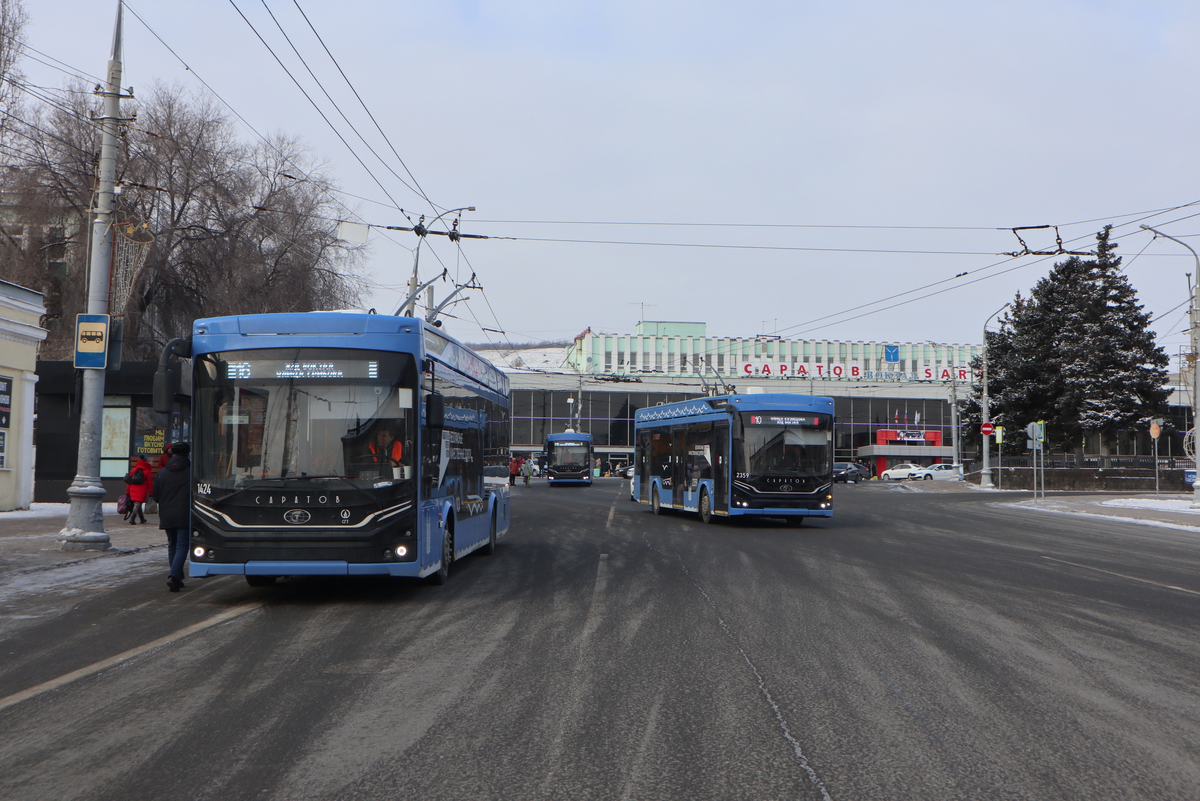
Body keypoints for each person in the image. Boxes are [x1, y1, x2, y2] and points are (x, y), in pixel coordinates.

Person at [153, 442, 192, 593]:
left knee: (172, 545)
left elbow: (156, 495)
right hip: (184, 513)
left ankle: (177, 577)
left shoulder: (162, 473)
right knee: (182, 545)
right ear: (188, 453)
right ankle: (174, 576)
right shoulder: (192, 471)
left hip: (167, 514)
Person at [123, 456, 153, 524]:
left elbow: (129, 482)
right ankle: (132, 519)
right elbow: (150, 484)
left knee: (138, 504)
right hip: (142, 490)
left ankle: (142, 519)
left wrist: (127, 491)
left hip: (132, 489)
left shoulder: (133, 470)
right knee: (137, 504)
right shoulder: (147, 471)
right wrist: (151, 492)